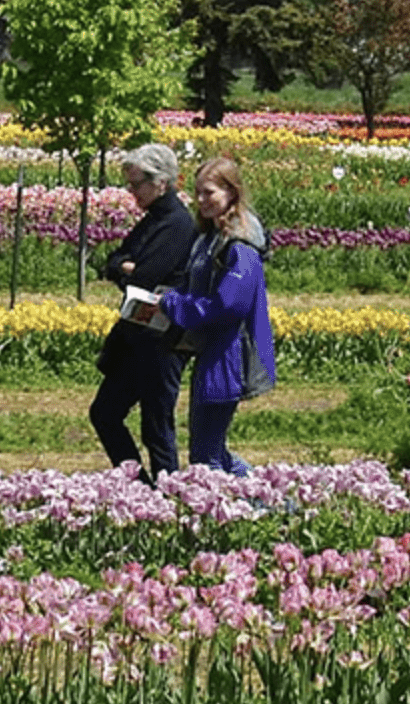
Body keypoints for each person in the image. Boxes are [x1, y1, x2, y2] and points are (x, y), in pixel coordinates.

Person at [159, 156, 276, 479]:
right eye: (197, 193)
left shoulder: (240, 246)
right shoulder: (210, 237)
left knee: (205, 455)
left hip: (230, 354)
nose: (201, 201)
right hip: (213, 351)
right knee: (211, 449)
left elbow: (228, 306)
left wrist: (175, 307)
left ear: (232, 192)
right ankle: (272, 499)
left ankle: (260, 504)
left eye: (209, 192)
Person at [88, 144, 194, 484]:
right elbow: (114, 261)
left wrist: (129, 269)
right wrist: (125, 268)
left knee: (157, 427)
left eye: (136, 185)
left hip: (162, 341)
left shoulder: (177, 224)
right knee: (104, 413)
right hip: (138, 337)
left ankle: (168, 500)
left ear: (160, 183)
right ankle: (140, 490)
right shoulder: (154, 220)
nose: (131, 192)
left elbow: (144, 276)